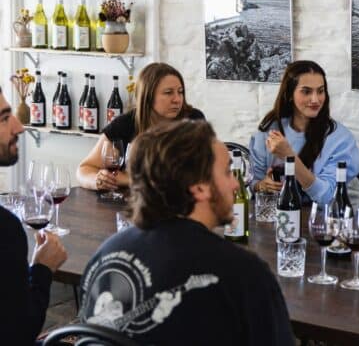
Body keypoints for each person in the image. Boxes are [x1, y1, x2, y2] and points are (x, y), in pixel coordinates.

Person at [78, 119, 294, 345]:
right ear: (199, 188)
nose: (236, 185)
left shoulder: (105, 254)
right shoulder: (245, 273)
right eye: (228, 172)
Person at [0, 86, 68, 345]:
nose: (19, 127)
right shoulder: (5, 229)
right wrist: (42, 269)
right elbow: (19, 332)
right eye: (5, 118)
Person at [77, 62, 205, 192]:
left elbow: (199, 173)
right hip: (131, 206)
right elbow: (84, 170)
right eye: (168, 93)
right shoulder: (126, 123)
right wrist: (98, 181)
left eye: (180, 92)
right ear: (147, 96)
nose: (177, 99)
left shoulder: (193, 120)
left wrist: (128, 179)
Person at [249, 60, 359, 205]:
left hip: (320, 221)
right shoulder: (269, 131)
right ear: (289, 94)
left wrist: (289, 156)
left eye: (320, 91)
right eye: (306, 91)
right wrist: (262, 185)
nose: (315, 99)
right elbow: (253, 184)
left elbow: (326, 197)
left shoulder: (340, 139)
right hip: (276, 218)